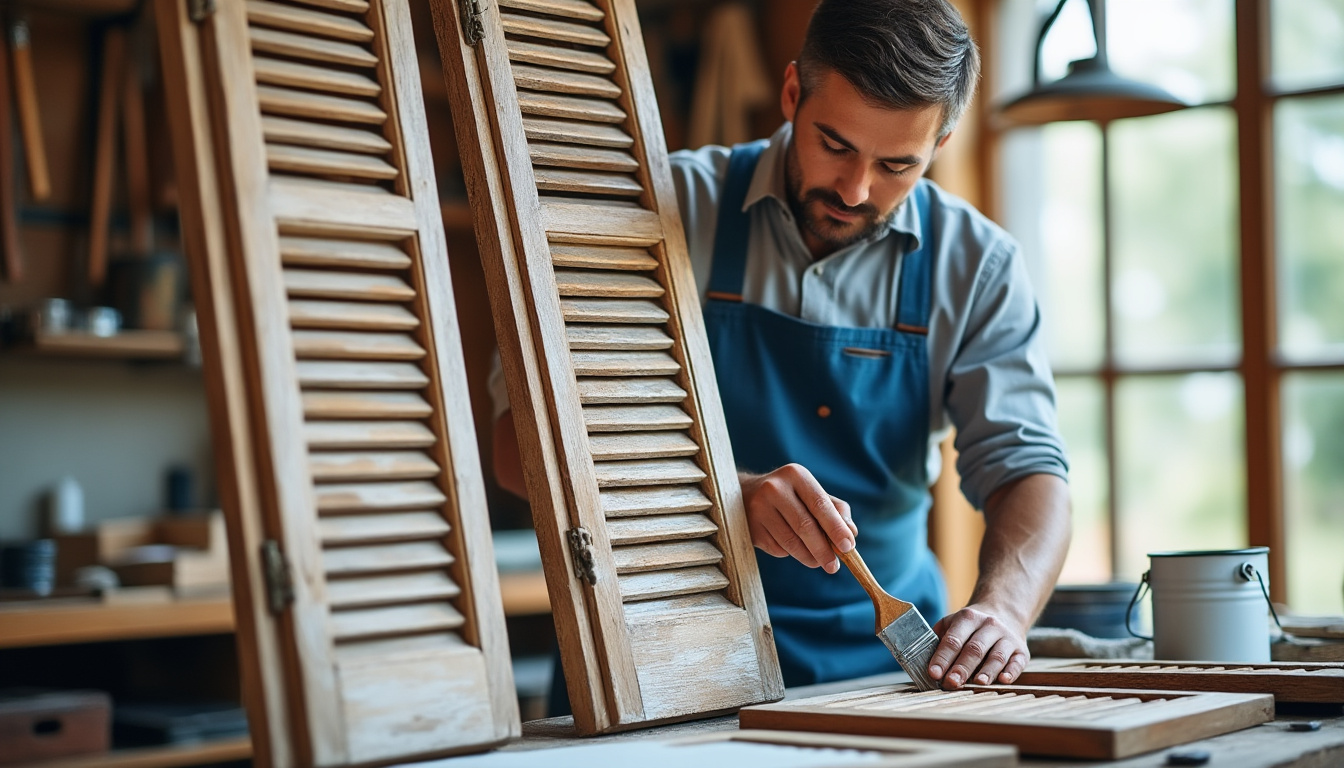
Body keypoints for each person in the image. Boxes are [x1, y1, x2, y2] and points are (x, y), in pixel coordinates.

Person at [491, 0, 1071, 695]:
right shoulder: (650, 213)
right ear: (792, 94)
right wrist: (721, 495)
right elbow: (513, 449)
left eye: (896, 165)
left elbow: (1028, 468)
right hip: (659, 666)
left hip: (880, 675)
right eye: (835, 144)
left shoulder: (977, 266)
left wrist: (1004, 611)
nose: (856, 190)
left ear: (940, 146)